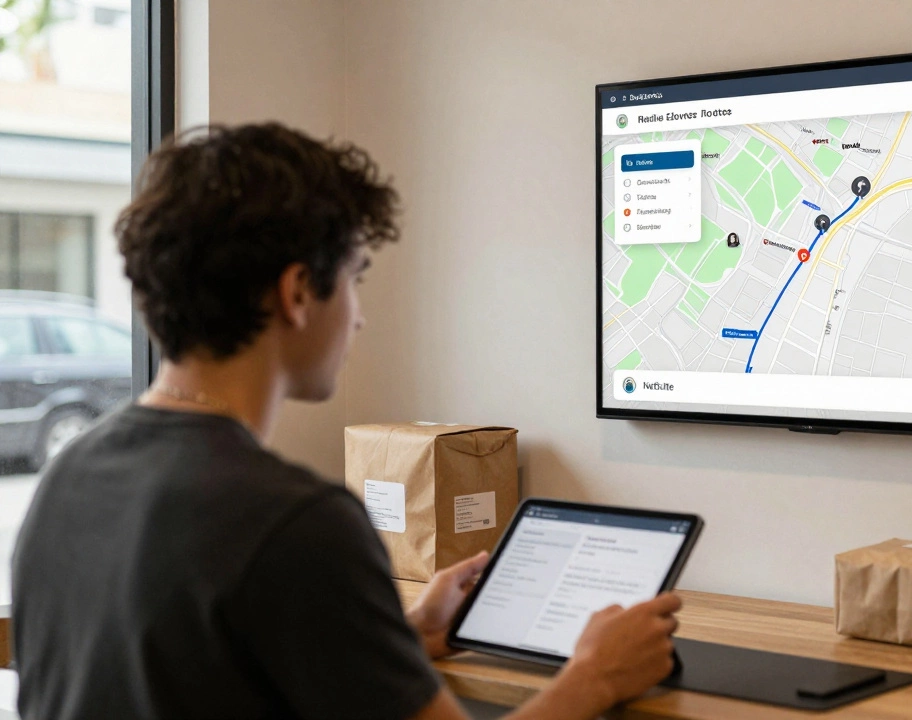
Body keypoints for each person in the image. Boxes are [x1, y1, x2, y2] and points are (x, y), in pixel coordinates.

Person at [10, 123, 681, 720]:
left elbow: (207, 670)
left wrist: (404, 633)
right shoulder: (297, 523)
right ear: (298, 292)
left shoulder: (70, 476)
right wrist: (595, 676)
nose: (358, 315)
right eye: (355, 278)